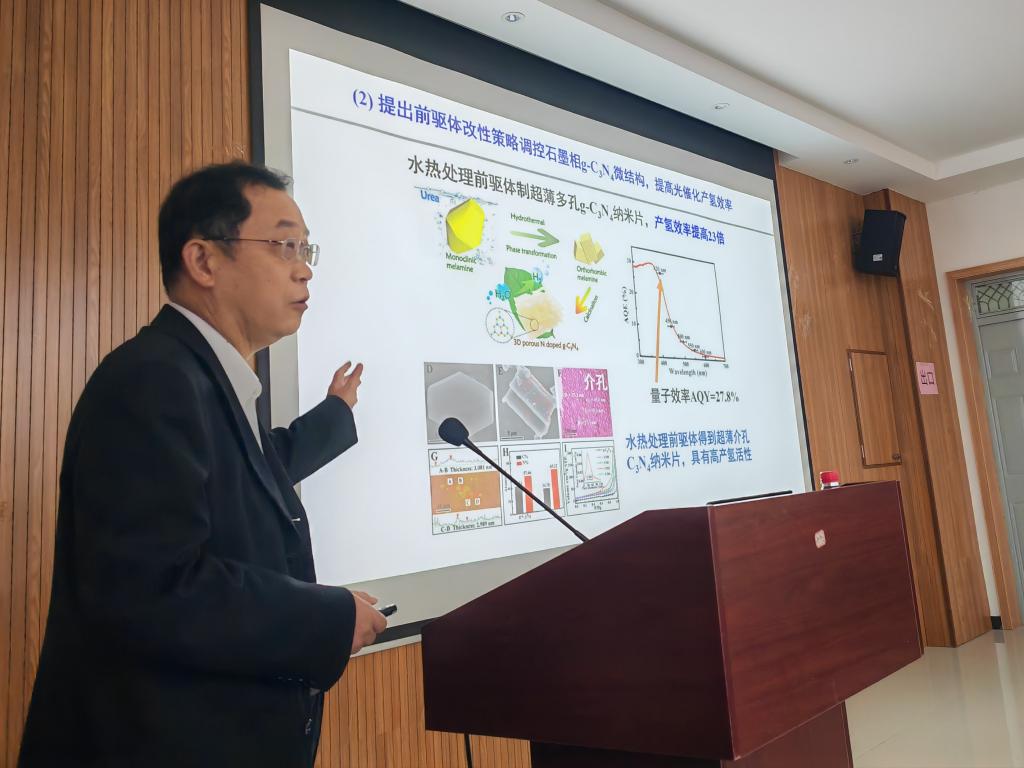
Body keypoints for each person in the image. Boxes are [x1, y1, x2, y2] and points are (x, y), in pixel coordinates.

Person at [18, 162, 387, 767]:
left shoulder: (202, 377)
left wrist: (334, 415)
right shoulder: (153, 379)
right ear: (204, 261)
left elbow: (256, 471)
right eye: (284, 245)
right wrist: (326, 617)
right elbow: (153, 589)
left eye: (306, 249)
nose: (304, 268)